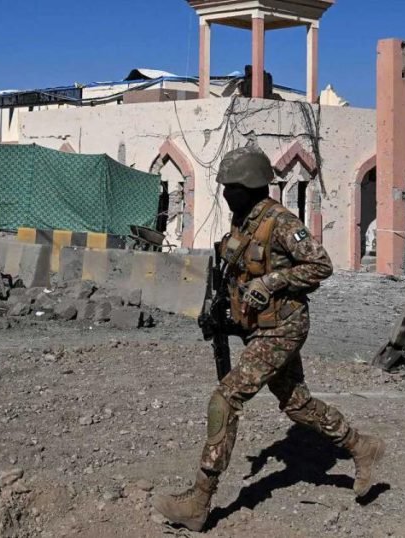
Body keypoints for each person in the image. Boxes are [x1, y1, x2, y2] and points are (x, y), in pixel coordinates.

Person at [153, 147, 386, 532]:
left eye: (232, 187)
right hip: (261, 327)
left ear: (251, 186)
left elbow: (321, 265)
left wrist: (273, 281)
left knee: (225, 398)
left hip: (284, 327)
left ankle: (199, 500)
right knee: (297, 404)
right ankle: (362, 446)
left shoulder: (280, 222)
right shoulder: (242, 221)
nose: (225, 193)